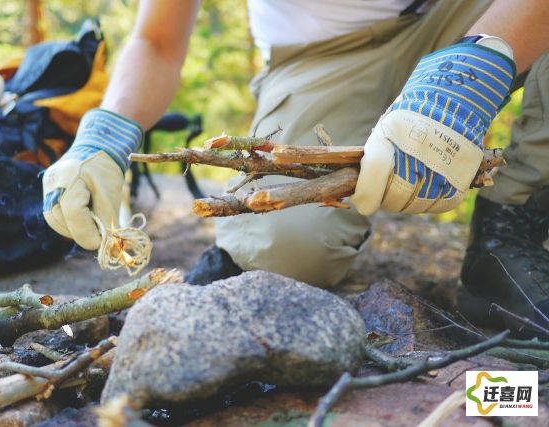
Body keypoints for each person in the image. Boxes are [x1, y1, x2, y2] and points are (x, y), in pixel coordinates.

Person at [42, 0, 549, 331]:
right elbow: (156, 39)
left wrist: (477, 64)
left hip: (481, 12)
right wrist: (105, 133)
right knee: (281, 249)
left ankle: (509, 231)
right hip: (322, 58)